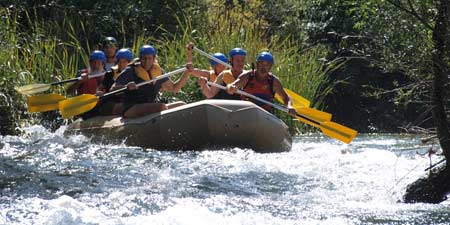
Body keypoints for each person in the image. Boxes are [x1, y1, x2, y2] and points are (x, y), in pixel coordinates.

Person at [112, 45, 193, 118]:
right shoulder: (131, 71)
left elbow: (175, 88)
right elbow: (113, 89)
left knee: (182, 105)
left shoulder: (159, 72)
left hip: (151, 107)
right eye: (144, 58)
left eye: (149, 58)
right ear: (140, 58)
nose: (147, 61)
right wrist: (126, 87)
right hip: (131, 108)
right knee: (161, 107)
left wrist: (186, 73)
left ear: (154, 58)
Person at [226, 51, 296, 115]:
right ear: (257, 64)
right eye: (261, 63)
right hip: (245, 112)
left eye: (267, 65)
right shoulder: (247, 76)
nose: (263, 67)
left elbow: (286, 97)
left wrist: (289, 106)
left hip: (265, 115)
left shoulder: (274, 81)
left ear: (270, 67)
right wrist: (231, 88)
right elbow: (233, 85)